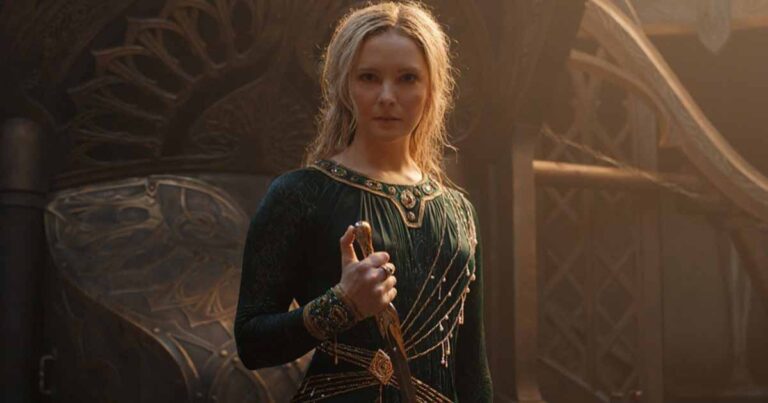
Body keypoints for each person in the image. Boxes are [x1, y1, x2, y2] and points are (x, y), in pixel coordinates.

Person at [234, 2, 492, 401]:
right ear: (344, 85)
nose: (387, 96)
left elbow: (472, 369)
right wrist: (341, 304)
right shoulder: (298, 195)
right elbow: (251, 343)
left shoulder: (459, 213)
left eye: (407, 78)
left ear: (432, 88)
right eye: (369, 77)